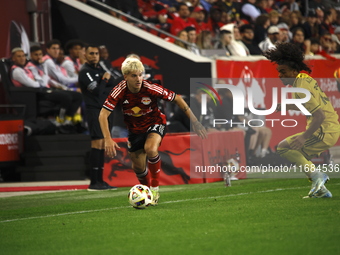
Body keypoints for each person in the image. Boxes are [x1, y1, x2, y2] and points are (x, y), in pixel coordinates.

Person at [98, 57, 207, 205]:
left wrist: (195, 122)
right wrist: (108, 138)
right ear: (125, 77)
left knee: (150, 148)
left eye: (140, 74)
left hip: (155, 123)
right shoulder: (119, 91)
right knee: (138, 168)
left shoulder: (150, 87)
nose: (138, 79)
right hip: (135, 130)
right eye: (134, 76)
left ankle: (155, 188)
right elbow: (103, 115)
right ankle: (147, 191)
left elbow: (178, 99)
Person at [263, 42, 340, 198]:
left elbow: (319, 115)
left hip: (324, 131)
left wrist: (304, 136)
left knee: (285, 148)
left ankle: (318, 177)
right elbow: (309, 106)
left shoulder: (301, 88)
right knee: (296, 154)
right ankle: (321, 191)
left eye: (283, 72)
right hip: (329, 128)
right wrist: (286, 105)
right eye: (279, 71)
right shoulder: (304, 79)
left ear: (293, 71)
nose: (280, 75)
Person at [78, 45, 118, 191]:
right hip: (94, 110)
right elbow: (97, 91)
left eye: (96, 53)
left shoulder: (100, 70)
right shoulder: (85, 72)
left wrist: (105, 83)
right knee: (97, 144)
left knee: (102, 145)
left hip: (105, 110)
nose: (94, 56)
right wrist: (105, 82)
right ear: (85, 55)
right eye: (91, 53)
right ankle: (94, 182)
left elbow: (113, 86)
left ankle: (100, 181)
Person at [11, 47, 83, 128]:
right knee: (66, 97)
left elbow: (42, 80)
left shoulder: (26, 69)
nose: (22, 58)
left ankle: (68, 119)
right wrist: (39, 78)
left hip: (44, 89)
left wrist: (63, 88)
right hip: (36, 94)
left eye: (23, 56)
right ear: (13, 58)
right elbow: (36, 85)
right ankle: (60, 119)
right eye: (19, 56)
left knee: (78, 96)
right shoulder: (18, 71)